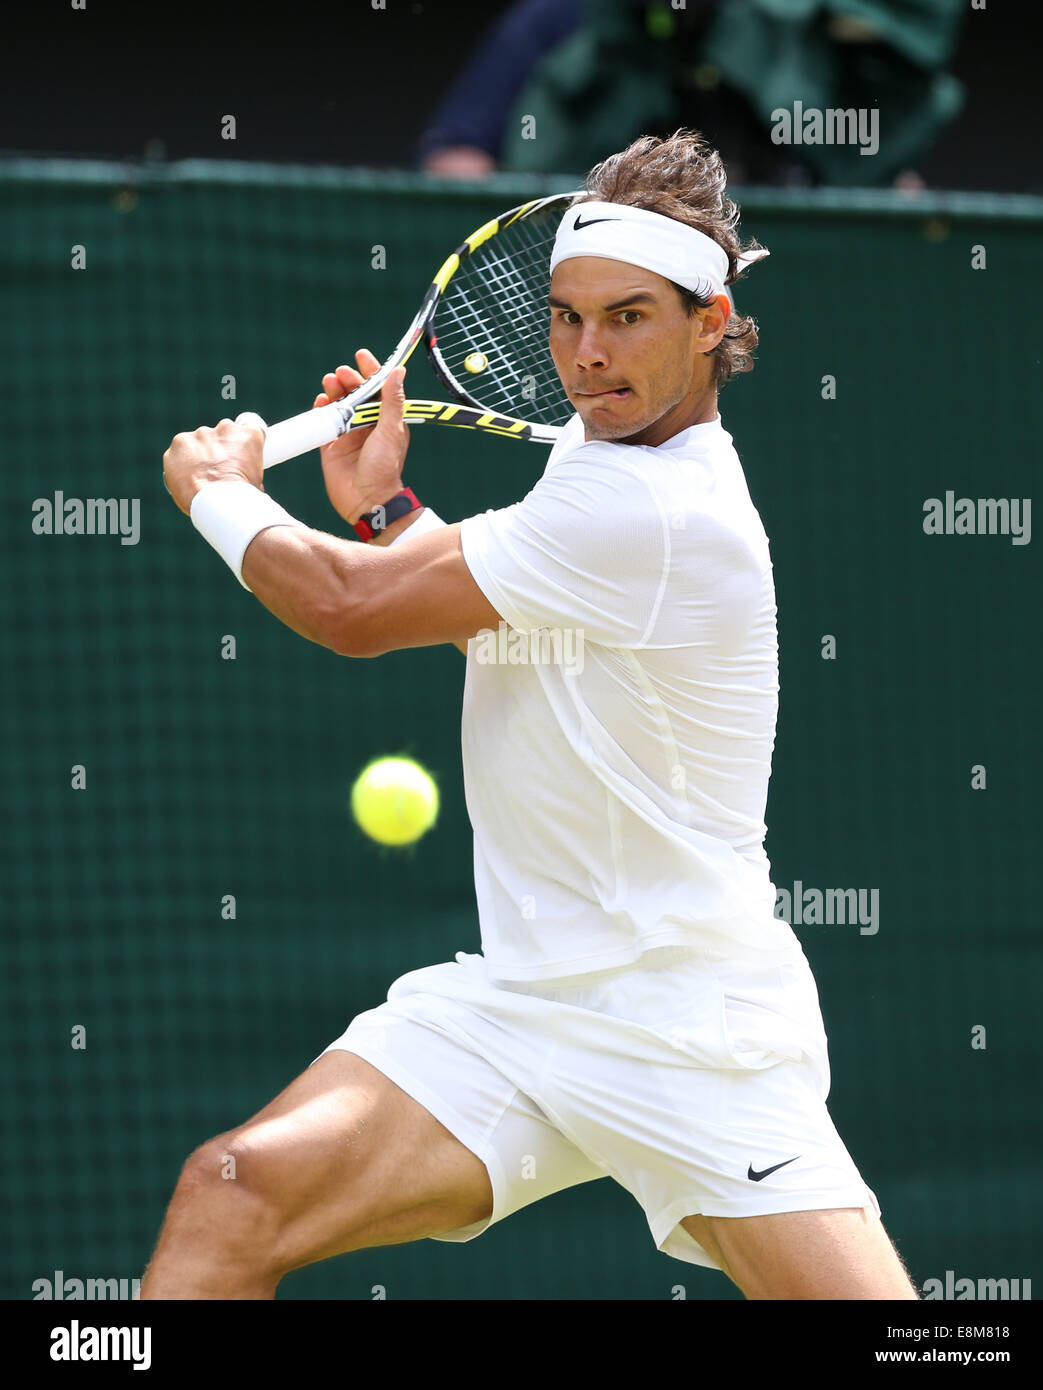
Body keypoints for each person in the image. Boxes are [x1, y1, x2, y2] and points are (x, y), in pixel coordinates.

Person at [149, 130, 918, 1300]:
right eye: (564, 318)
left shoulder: (662, 511)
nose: (586, 356)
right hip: (523, 1004)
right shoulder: (592, 464)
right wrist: (387, 506)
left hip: (688, 1027)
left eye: (627, 318)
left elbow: (349, 614)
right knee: (233, 1195)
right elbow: (513, 627)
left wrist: (218, 493)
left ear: (711, 324)